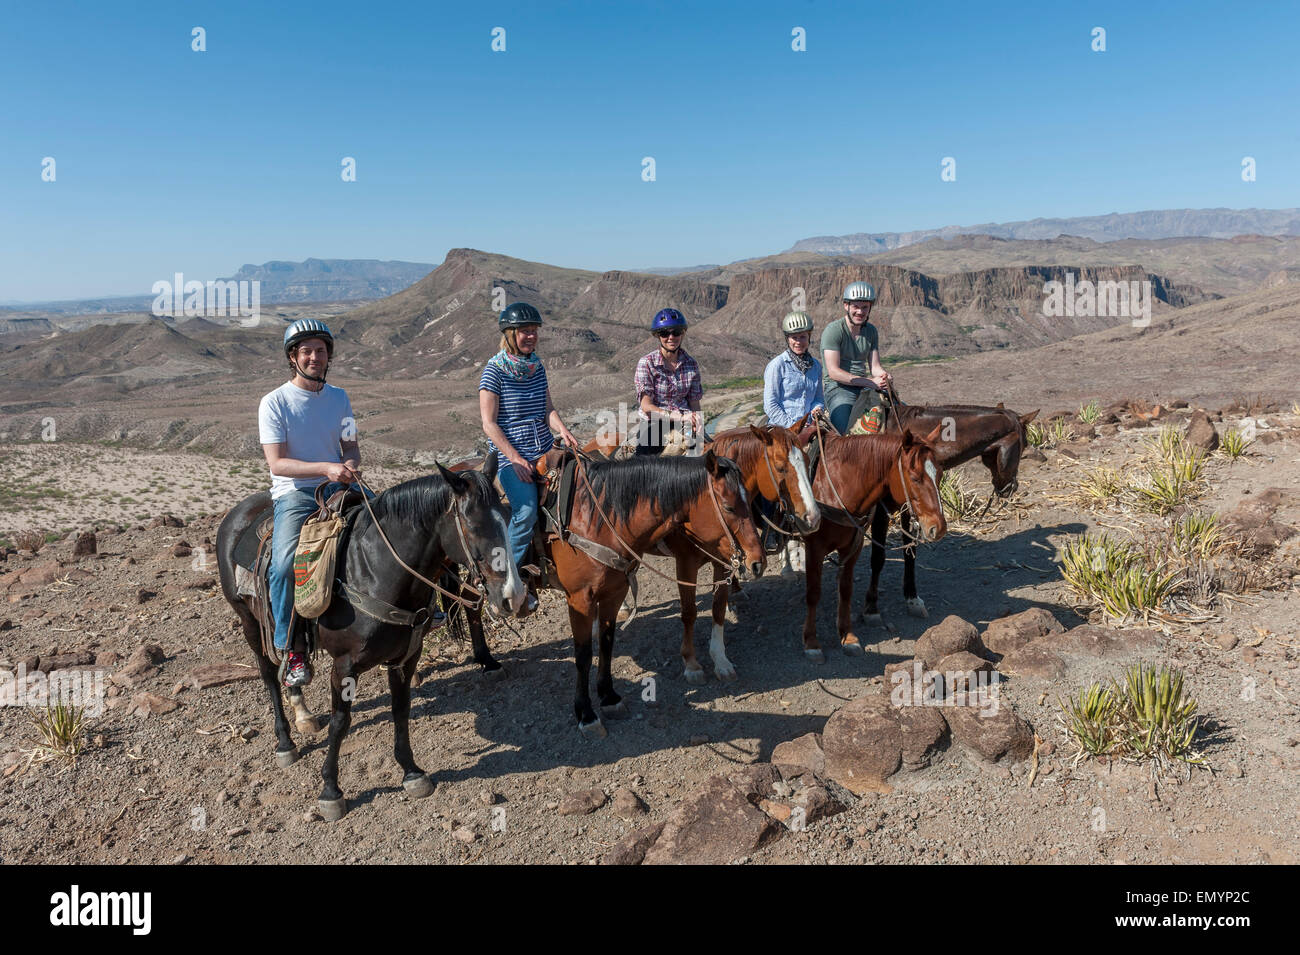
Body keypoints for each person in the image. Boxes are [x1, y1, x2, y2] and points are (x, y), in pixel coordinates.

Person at [258, 319, 361, 687]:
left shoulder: (340, 397)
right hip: (295, 492)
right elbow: (277, 462)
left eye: (320, 350)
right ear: (293, 357)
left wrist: (348, 466)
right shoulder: (274, 402)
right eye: (307, 351)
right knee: (285, 564)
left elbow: (350, 447)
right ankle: (290, 649)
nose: (315, 357)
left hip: (339, 483)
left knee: (400, 522)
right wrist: (325, 468)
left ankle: (427, 609)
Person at [479, 302, 578, 614]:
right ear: (510, 335)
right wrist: (516, 459)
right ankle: (508, 577)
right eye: (525, 331)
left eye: (534, 331)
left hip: (544, 449)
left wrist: (563, 430)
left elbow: (547, 408)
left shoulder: (537, 367)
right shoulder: (493, 371)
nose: (531, 336)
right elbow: (489, 424)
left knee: (581, 489)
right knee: (525, 510)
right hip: (512, 457)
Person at [821, 281, 892, 435]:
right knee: (846, 434)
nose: (860, 312)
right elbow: (834, 372)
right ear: (846, 305)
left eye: (865, 307)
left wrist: (884, 376)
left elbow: (875, 366)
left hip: (864, 387)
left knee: (901, 416)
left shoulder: (871, 331)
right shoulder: (833, 331)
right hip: (838, 389)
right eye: (856, 307)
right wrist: (870, 382)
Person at [634, 308, 703, 455]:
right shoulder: (647, 363)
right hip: (655, 424)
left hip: (686, 424)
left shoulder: (691, 364)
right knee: (643, 467)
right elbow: (647, 406)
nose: (671, 337)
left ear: (683, 333)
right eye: (665, 333)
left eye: (676, 332)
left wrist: (698, 421)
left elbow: (694, 403)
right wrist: (678, 416)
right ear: (658, 336)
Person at [763, 310, 826, 427]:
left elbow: (818, 399)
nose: (798, 342)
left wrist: (817, 409)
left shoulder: (816, 366)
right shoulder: (777, 365)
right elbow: (770, 405)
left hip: (808, 427)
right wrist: (794, 427)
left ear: (809, 337)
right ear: (787, 339)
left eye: (802, 337)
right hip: (781, 428)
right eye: (794, 337)